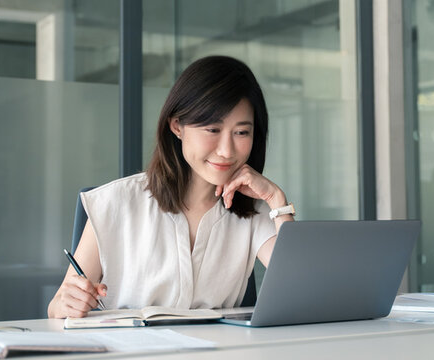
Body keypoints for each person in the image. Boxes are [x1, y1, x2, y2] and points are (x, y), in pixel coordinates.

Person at [48, 56, 294, 318]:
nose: (226, 150)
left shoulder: (254, 212)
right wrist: (67, 303)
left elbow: (300, 291)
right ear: (177, 126)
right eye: (212, 129)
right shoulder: (115, 203)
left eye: (241, 133)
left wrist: (277, 200)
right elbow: (57, 308)